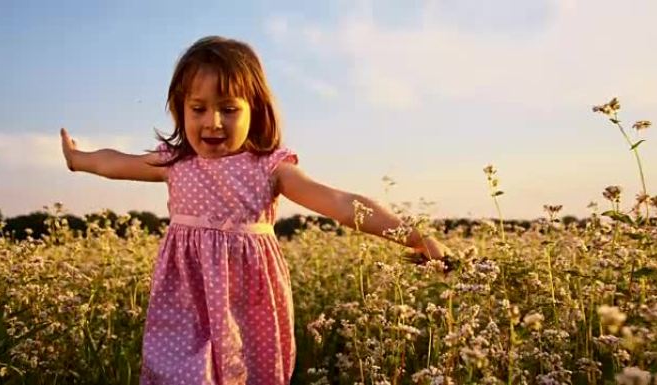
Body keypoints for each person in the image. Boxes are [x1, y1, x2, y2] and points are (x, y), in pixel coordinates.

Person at [60, 35, 450, 385]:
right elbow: (114, 162)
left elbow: (341, 203)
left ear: (255, 109)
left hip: (250, 304)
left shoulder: (270, 167)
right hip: (187, 304)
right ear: (181, 110)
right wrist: (78, 159)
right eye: (198, 108)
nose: (212, 122)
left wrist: (416, 236)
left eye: (229, 109)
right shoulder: (175, 162)